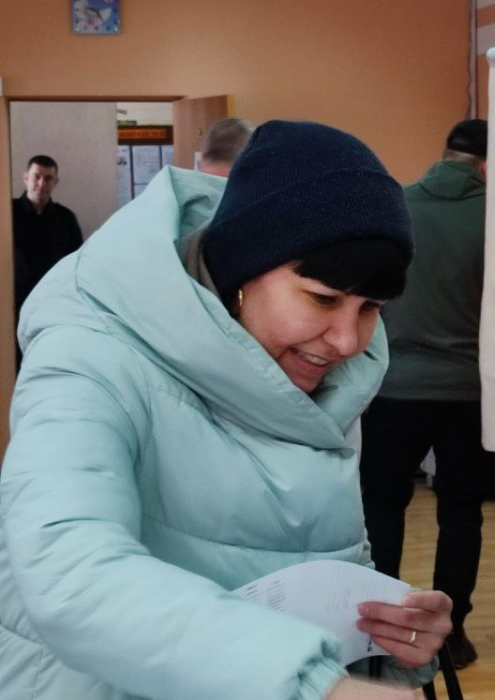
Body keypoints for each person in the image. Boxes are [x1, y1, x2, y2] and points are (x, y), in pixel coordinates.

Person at [0, 121, 455, 700]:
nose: (347, 340)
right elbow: (69, 574)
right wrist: (313, 686)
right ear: (243, 268)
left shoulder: (317, 371)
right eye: (324, 298)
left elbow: (307, 559)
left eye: (372, 308)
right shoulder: (89, 357)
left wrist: (384, 640)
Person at [359, 119, 495, 669]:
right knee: (462, 512)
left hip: (395, 388)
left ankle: (377, 629)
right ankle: (453, 632)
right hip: (472, 391)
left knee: (381, 505)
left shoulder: (397, 205)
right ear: (487, 165)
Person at [12, 155, 83, 322]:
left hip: (54, 301)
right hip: (12, 301)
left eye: (48, 178)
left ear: (55, 182)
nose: (41, 183)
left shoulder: (65, 218)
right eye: (36, 176)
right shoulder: (7, 213)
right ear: (26, 178)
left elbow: (76, 261)